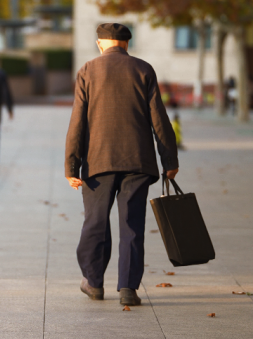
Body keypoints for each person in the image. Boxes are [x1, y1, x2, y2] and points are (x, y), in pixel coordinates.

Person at [65, 23, 179, 306]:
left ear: (100, 44)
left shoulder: (88, 70)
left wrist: (71, 166)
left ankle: (93, 282)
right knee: (132, 224)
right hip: (138, 162)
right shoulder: (143, 69)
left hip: (97, 162)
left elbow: (77, 122)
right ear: (127, 44)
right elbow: (159, 120)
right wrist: (170, 160)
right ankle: (128, 288)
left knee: (95, 223)